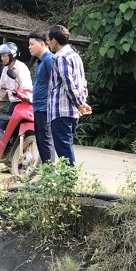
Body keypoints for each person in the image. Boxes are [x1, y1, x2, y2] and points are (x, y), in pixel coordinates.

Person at [47, 25, 92, 166]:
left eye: (49, 40)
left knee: (63, 148)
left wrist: (79, 104)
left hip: (61, 110)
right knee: (66, 145)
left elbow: (68, 83)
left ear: (54, 41)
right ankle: (68, 175)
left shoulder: (61, 57)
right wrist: (82, 102)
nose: (48, 43)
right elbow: (82, 82)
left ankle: (69, 177)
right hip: (73, 112)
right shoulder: (75, 56)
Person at [28, 31, 56, 164]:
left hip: (46, 108)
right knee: (40, 140)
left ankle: (49, 172)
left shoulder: (49, 59)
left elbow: (56, 82)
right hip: (38, 107)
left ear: (42, 44)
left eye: (32, 44)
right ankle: (46, 171)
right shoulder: (41, 61)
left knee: (45, 140)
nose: (29, 47)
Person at [0, 42, 32, 115]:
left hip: (24, 104)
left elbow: (26, 87)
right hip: (14, 104)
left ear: (12, 55)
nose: (2, 59)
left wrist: (22, 94)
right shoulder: (6, 69)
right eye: (1, 56)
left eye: (4, 56)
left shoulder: (21, 68)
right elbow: (0, 88)